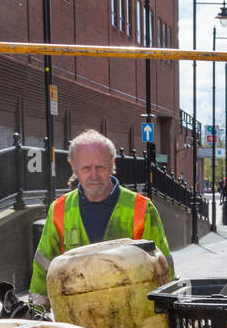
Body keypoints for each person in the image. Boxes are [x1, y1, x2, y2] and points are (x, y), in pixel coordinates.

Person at [29, 129, 174, 306]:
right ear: (73, 167)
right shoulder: (59, 209)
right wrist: (37, 315)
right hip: (76, 317)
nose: (94, 176)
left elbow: (163, 264)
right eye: (86, 168)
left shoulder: (142, 208)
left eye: (100, 167)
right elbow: (44, 263)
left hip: (131, 315)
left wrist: (168, 309)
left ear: (112, 163)